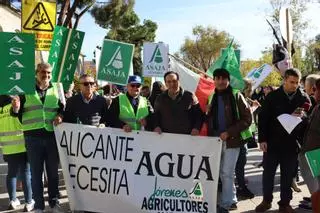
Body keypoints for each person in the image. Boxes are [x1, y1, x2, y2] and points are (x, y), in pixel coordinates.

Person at [11, 63, 64, 213]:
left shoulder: (57, 89)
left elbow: (63, 108)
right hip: (32, 138)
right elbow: (15, 112)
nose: (46, 75)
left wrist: (60, 116)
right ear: (36, 73)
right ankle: (39, 206)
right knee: (36, 174)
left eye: (48, 73)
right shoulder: (25, 90)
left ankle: (54, 203)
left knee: (53, 173)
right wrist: (15, 107)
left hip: (52, 137)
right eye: (43, 72)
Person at [256, 68, 310, 213]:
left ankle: (285, 204)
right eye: (292, 82)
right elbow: (263, 119)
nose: (294, 85)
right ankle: (266, 201)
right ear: (284, 80)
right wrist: (262, 139)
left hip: (292, 144)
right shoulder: (272, 97)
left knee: (288, 176)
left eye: (297, 83)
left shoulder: (303, 98)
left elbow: (309, 118)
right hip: (272, 143)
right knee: (268, 174)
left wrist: (302, 115)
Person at [206, 68, 252, 212]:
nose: (220, 82)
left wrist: (229, 132)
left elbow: (247, 119)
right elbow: (209, 119)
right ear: (214, 80)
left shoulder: (236, 95)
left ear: (228, 80)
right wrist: (207, 111)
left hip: (233, 140)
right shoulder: (211, 96)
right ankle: (231, 199)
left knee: (227, 172)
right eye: (217, 78)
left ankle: (226, 203)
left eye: (223, 79)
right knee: (223, 172)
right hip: (215, 140)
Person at [0, 95, 34, 211]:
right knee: (26, 174)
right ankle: (29, 202)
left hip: (7, 147)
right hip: (22, 145)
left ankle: (13, 200)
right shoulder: (16, 101)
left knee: (11, 173)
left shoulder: (1, 108)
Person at [299, 78, 320, 211]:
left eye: (316, 90)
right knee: (315, 186)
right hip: (311, 151)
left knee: (317, 186)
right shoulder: (317, 106)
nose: (314, 93)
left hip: (316, 153)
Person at [235, 78, 257, 200]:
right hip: (241, 136)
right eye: (250, 88)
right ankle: (241, 187)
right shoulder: (239, 98)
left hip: (243, 135)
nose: (251, 90)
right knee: (240, 163)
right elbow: (244, 117)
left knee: (240, 163)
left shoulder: (239, 97)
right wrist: (252, 108)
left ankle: (240, 182)